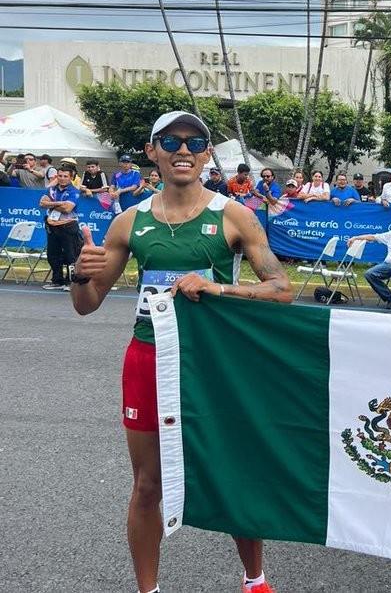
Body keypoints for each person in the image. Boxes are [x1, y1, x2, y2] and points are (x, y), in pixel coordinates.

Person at [70, 111, 291, 593]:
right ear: (153, 153)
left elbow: (281, 289)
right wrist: (79, 274)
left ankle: (255, 581)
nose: (183, 149)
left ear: (208, 153)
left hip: (217, 364)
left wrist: (219, 290)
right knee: (148, 484)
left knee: (233, 472)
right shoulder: (129, 221)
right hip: (148, 358)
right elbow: (87, 306)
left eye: (195, 141)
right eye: (170, 141)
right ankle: (147, 590)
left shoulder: (234, 215)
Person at [40, 165, 83, 290]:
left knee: (71, 255)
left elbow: (67, 208)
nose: (62, 178)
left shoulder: (74, 191)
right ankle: (57, 280)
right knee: (53, 254)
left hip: (68, 225)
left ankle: (70, 282)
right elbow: (42, 203)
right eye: (60, 176)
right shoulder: (52, 189)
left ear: (71, 178)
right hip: (52, 225)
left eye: (65, 176)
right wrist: (59, 203)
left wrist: (50, 204)